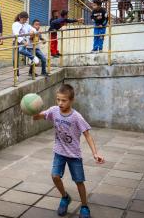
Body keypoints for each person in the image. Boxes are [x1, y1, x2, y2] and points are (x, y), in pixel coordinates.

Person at [33, 84, 105, 218]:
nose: (60, 103)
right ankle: (65, 197)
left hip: (74, 155)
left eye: (64, 100)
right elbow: (40, 115)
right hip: (59, 151)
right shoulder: (54, 111)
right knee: (55, 176)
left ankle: (84, 206)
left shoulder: (76, 117)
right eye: (58, 99)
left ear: (71, 100)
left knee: (79, 181)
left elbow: (87, 135)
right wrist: (33, 112)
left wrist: (95, 154)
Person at [11, 12, 39, 76]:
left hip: (23, 43)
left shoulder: (27, 25)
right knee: (14, 59)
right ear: (19, 18)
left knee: (21, 50)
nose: (24, 21)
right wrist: (22, 41)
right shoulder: (15, 24)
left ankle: (33, 57)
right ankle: (16, 74)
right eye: (23, 19)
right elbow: (16, 34)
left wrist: (33, 31)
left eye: (26, 20)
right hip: (16, 42)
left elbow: (34, 29)